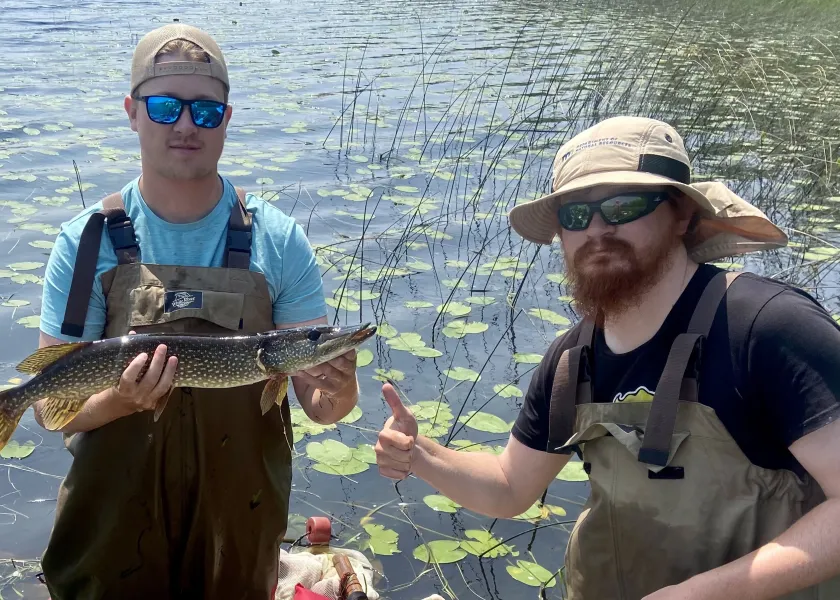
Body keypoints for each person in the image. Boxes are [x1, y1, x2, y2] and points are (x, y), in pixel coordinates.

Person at [375, 116, 840, 599]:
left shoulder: (768, 327)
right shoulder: (571, 360)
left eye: (623, 205)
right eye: (575, 215)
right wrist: (420, 455)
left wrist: (706, 593)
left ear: (681, 213)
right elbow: (510, 487)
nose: (597, 228)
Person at [33, 23, 360, 600]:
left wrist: (337, 394)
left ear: (226, 120)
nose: (186, 125)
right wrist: (121, 399)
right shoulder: (86, 243)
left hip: (237, 527)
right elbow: (54, 411)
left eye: (205, 112)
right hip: (112, 532)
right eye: (166, 107)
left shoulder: (277, 240)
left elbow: (316, 402)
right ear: (133, 112)